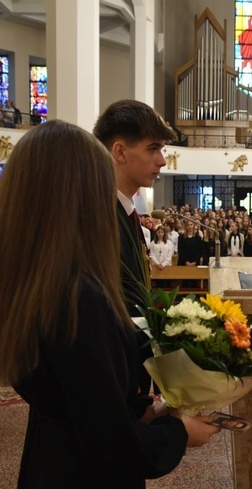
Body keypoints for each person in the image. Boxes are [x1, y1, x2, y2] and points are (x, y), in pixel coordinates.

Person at [0, 120, 218, 489]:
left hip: (51, 461)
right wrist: (179, 433)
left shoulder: (28, 276)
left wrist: (146, 412)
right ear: (79, 194)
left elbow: (78, 397)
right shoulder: (76, 295)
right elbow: (109, 443)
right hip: (85, 481)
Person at [93, 99, 175, 396]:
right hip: (111, 377)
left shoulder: (123, 212)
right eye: (153, 149)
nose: (162, 160)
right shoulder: (98, 217)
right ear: (120, 151)